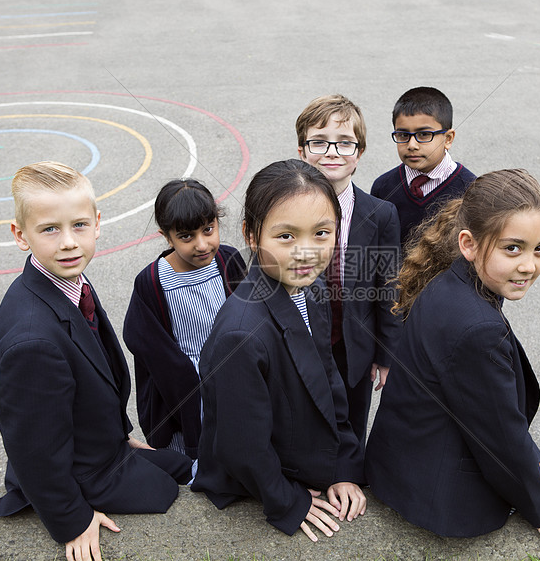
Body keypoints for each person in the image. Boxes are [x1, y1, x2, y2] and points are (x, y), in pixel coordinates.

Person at [0, 162, 191, 561]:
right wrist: (71, 520)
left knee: (189, 465)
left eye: (78, 225)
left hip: (104, 447)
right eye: (49, 229)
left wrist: (118, 432)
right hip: (86, 477)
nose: (68, 243)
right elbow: (34, 448)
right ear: (20, 235)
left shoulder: (65, 279)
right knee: (183, 490)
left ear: (97, 223)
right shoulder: (32, 341)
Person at [364, 169, 540, 546]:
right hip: (437, 496)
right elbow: (496, 432)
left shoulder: (452, 279)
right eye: (513, 248)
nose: (529, 264)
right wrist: (535, 505)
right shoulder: (478, 327)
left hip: (398, 467)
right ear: (469, 244)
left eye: (539, 248)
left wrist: (535, 459)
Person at [191, 159, 366, 542]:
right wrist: (288, 502)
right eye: (286, 237)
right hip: (260, 479)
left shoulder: (313, 290)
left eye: (322, 233)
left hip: (302, 453)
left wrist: (343, 467)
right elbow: (241, 445)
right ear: (252, 236)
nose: (306, 252)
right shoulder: (241, 334)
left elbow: (330, 386)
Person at [295, 94, 401, 446]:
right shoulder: (283, 207)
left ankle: (349, 479)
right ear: (301, 151)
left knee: (352, 428)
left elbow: (388, 288)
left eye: (344, 143)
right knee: (302, 422)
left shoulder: (381, 213)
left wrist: (385, 355)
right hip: (301, 343)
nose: (332, 152)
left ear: (359, 153)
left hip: (354, 348)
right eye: (319, 142)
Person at [123, 179, 245, 471]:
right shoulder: (152, 282)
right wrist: (191, 380)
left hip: (236, 382)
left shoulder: (229, 261)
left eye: (208, 230)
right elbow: (148, 345)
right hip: (187, 397)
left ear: (217, 221)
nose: (202, 245)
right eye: (187, 236)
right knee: (198, 461)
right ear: (167, 237)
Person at [370, 86, 477, 247]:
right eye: (403, 135)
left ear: (448, 138)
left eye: (424, 135)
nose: (412, 145)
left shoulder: (471, 190)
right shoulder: (383, 187)